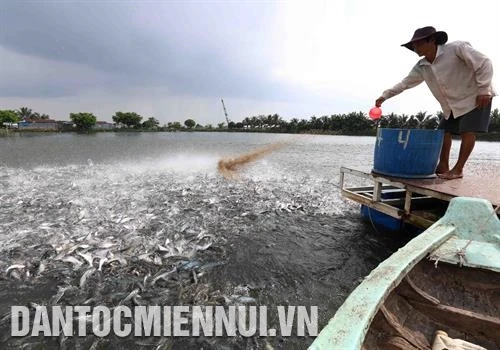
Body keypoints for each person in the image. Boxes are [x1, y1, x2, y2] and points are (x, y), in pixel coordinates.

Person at [375, 26, 496, 180]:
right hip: (452, 105)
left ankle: (458, 169)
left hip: (475, 96)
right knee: (443, 132)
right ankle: (443, 165)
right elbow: (405, 83)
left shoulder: (457, 49)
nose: (414, 47)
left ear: (432, 40)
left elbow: (484, 62)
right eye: (413, 45)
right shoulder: (422, 66)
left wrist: (484, 89)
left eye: (418, 43)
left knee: (468, 130)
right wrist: (384, 96)